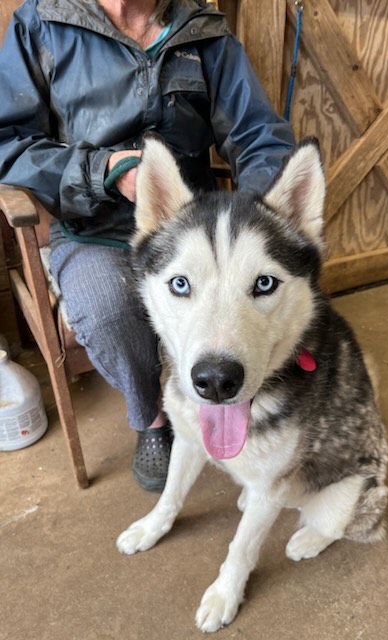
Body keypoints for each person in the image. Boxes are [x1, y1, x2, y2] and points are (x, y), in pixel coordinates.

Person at [0, 0, 296, 491]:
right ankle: (151, 419)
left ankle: (229, 393)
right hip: (95, 226)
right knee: (109, 309)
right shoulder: (43, 24)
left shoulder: (202, 29)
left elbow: (259, 133)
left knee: (255, 292)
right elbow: (6, 141)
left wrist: (262, 219)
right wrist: (103, 171)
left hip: (193, 230)